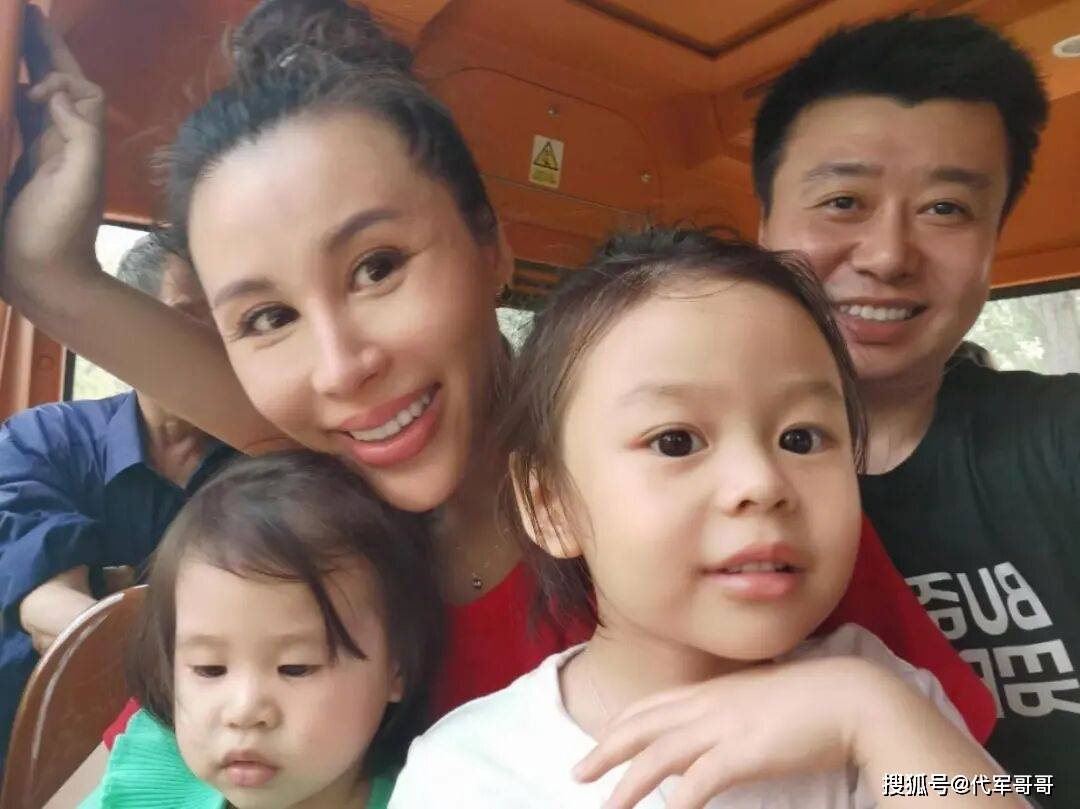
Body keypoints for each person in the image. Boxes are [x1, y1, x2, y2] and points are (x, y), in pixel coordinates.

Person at [0, 0, 993, 777]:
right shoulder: (296, 563)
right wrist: (46, 274)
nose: (341, 367)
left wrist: (869, 716)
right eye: (266, 318)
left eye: (378, 266)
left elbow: (991, 782)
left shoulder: (740, 508)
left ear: (491, 247)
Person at [390, 228, 1014, 809]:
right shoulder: (470, 772)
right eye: (675, 442)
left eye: (801, 439)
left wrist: (871, 718)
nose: (761, 484)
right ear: (549, 504)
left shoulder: (884, 699)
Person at [754, 14, 1076, 802]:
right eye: (843, 200)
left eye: (946, 209)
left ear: (993, 240)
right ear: (763, 226)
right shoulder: (665, 470)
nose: (889, 255)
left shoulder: (1057, 439)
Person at [81, 449, 442, 808]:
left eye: (296, 668)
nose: (243, 712)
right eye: (209, 668)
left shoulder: (437, 793)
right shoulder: (145, 790)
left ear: (396, 669)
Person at [0, 232, 234, 768]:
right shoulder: (44, 440)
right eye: (186, 317)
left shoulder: (269, 471)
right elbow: (49, 611)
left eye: (230, 319)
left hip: (197, 756)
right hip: (30, 746)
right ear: (126, 334)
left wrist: (114, 598)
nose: (213, 342)